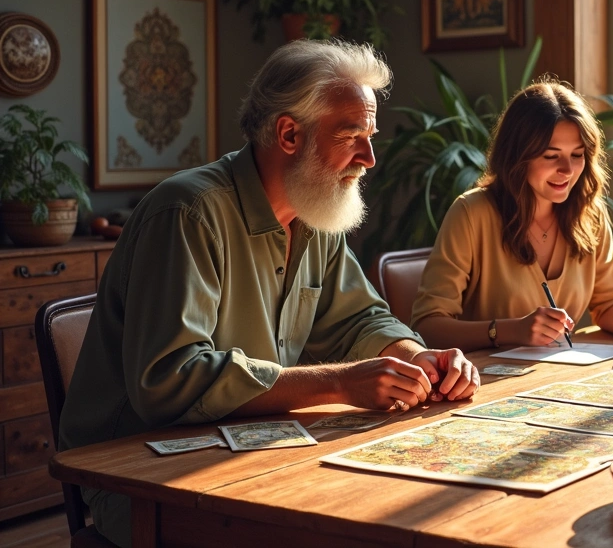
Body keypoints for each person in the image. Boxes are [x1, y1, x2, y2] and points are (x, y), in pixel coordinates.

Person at [58, 40, 480, 547]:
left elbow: (359, 320)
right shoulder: (189, 213)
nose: (369, 158)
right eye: (352, 137)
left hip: (244, 451)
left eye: (370, 136)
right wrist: (343, 383)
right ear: (288, 133)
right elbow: (171, 379)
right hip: (140, 477)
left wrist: (420, 359)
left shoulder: (315, 211)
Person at [412, 81, 613, 350]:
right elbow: (428, 327)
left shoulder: (590, 214)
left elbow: (609, 301)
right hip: (484, 379)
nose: (567, 170)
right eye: (551, 156)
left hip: (558, 374)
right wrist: (509, 330)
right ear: (517, 156)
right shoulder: (472, 214)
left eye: (577, 155)